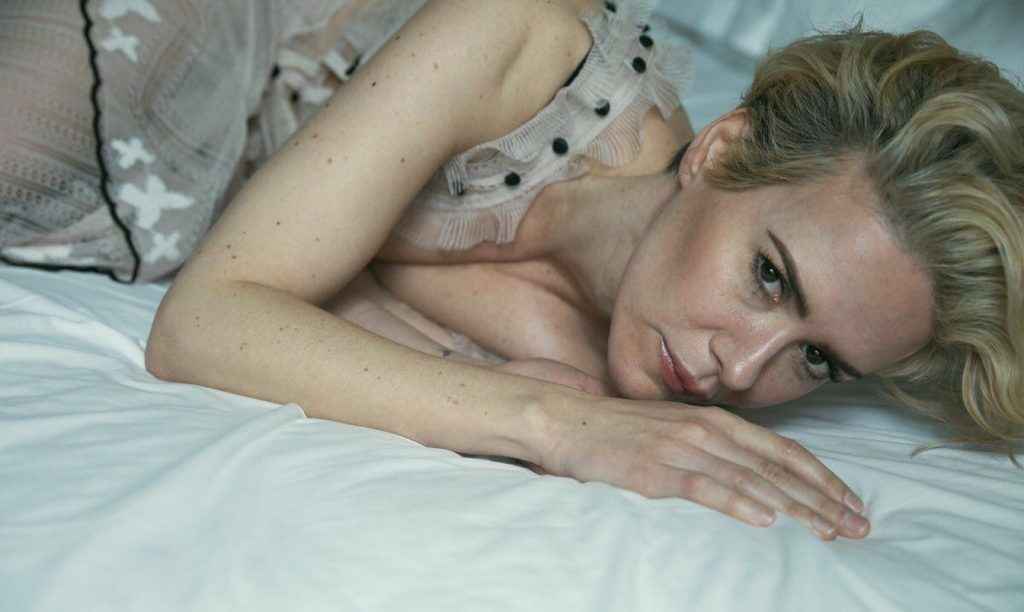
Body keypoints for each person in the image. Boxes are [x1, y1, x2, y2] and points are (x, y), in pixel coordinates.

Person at [3, 0, 1022, 542]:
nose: (744, 370)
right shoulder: (520, 39)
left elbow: (282, 293)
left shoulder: (624, 374)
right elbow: (200, 326)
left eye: (819, 362)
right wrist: (551, 424)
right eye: (768, 277)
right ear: (720, 150)